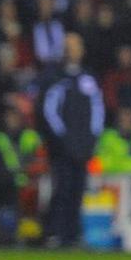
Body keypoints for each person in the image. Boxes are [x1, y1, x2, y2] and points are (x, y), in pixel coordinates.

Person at [39, 32, 104, 247]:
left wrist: (91, 140)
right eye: (68, 46)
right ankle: (54, 232)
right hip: (62, 148)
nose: (71, 50)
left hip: (83, 147)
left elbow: (98, 110)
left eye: (75, 46)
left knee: (77, 190)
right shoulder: (55, 77)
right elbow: (49, 112)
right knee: (62, 189)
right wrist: (62, 140)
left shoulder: (89, 78)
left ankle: (72, 234)